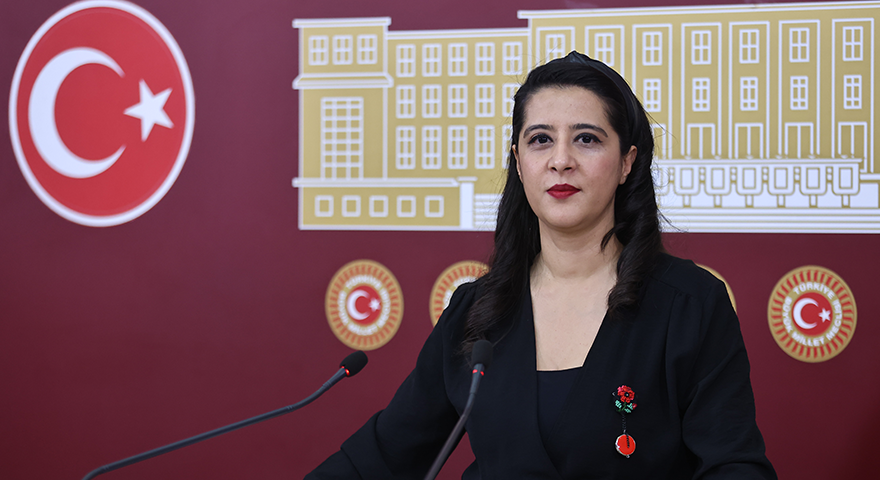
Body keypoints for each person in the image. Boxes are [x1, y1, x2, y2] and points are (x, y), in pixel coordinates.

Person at [306, 51, 776, 479]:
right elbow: (383, 457)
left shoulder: (690, 305)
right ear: (518, 160)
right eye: (540, 140)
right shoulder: (477, 312)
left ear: (626, 162)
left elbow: (734, 467)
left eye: (586, 139)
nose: (561, 160)